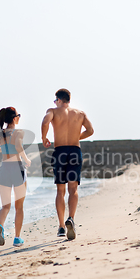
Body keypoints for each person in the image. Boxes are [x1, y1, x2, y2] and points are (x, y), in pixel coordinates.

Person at [41, 89, 94, 240]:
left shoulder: (52, 111)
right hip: (75, 151)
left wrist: (44, 137)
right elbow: (90, 130)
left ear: (58, 99)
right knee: (73, 188)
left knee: (60, 190)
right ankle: (71, 218)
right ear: (68, 100)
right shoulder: (80, 113)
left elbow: (45, 121)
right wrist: (77, 136)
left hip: (60, 152)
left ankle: (61, 226)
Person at [0, 107, 31, 247]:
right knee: (19, 207)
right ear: (14, 118)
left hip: (4, 170)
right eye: (18, 115)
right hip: (17, 169)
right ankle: (17, 238)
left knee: (5, 206)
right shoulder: (18, 132)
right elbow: (18, 146)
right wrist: (27, 159)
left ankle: (0, 225)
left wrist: (4, 148)